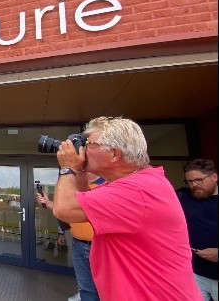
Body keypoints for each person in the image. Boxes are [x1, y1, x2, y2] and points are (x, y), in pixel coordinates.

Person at [52, 116, 201, 300]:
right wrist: (81, 172)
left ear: (114, 154)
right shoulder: (135, 184)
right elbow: (84, 204)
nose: (82, 149)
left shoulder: (137, 191)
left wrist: (67, 168)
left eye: (88, 143)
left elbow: (64, 209)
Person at [37, 173, 106, 301]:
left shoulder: (108, 184)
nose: (79, 169)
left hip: (102, 245)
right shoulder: (75, 187)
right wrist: (48, 203)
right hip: (79, 244)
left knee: (106, 288)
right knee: (86, 289)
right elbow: (68, 210)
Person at [178, 159, 218, 301]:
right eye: (189, 181)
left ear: (214, 177)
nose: (194, 185)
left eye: (198, 180)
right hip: (194, 273)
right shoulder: (184, 197)